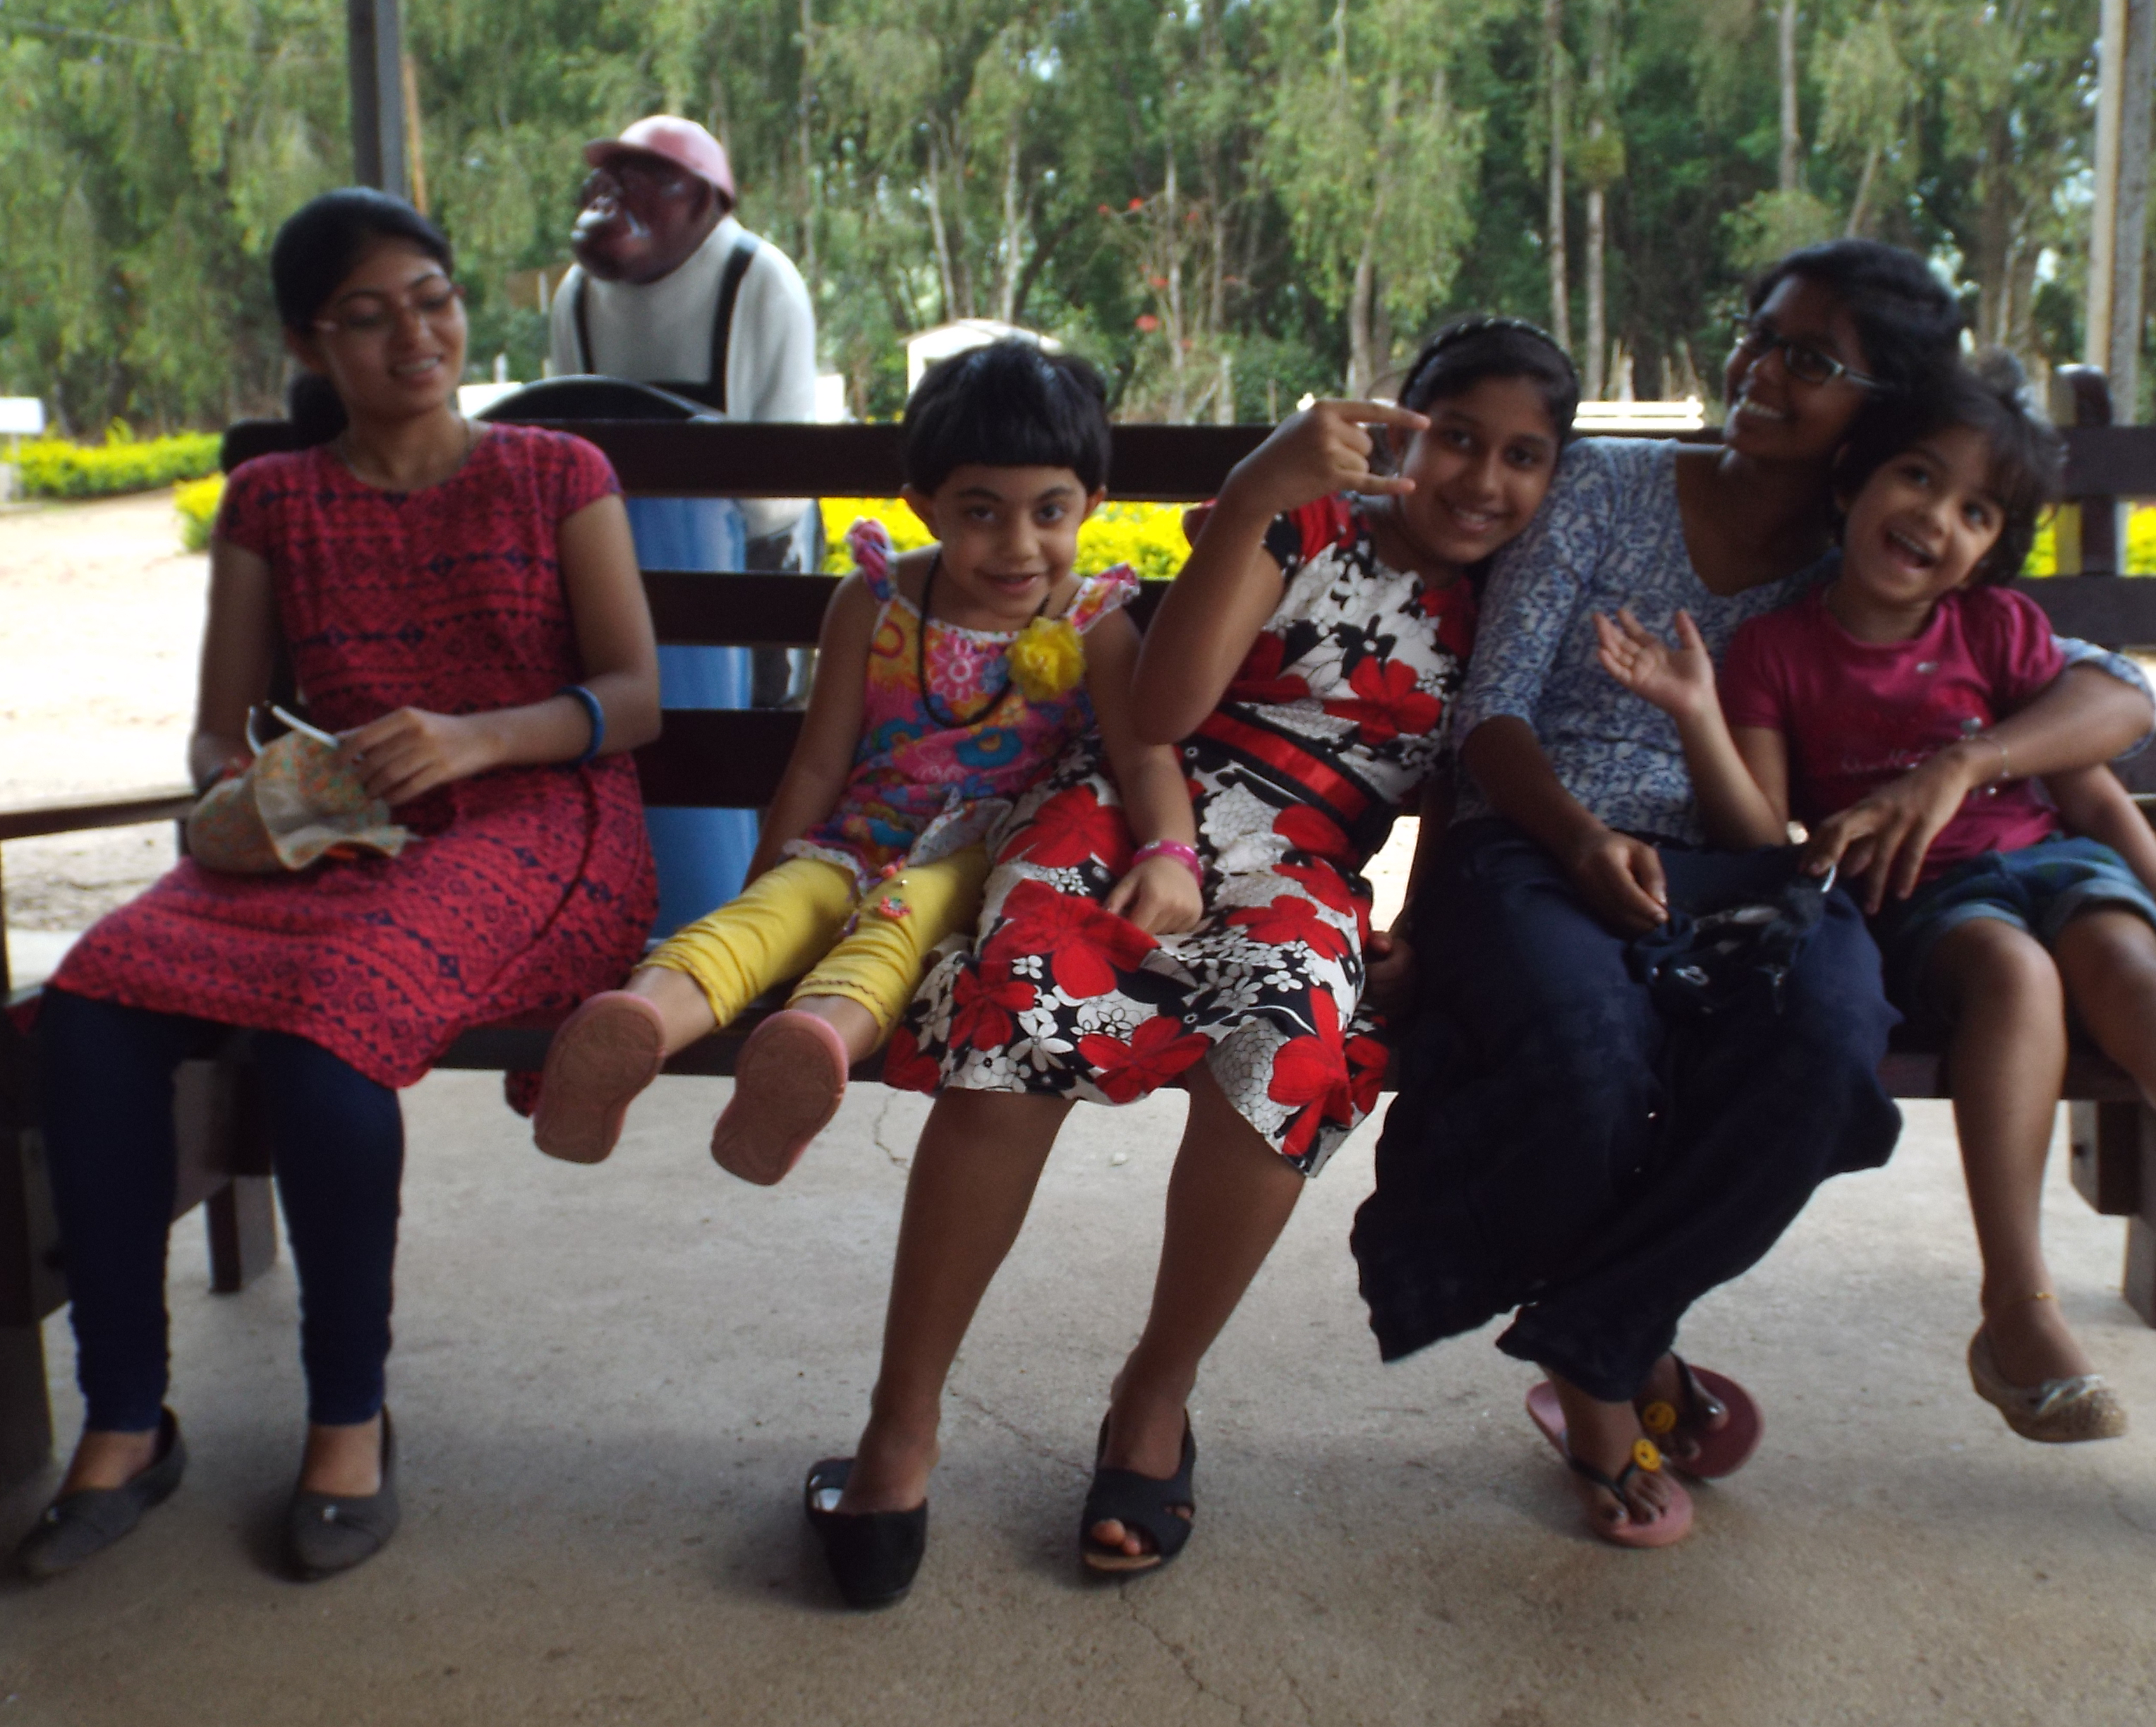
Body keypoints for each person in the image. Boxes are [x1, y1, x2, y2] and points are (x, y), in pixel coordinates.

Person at [1350, 241, 2156, 1549]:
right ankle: (1612, 1383)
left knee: (1829, 1040)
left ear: (1881, 410)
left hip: (1748, 868)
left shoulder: (1871, 549)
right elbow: (1491, 709)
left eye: (1809, 359)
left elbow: (2116, 689)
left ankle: (1601, 1330)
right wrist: (1575, 840)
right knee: (1585, 1048)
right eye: (1759, 333)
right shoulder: (1603, 484)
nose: (1759, 369)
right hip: (1539, 847)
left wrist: (1964, 763)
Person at [804, 318, 1579, 1608]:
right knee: (1018, 1017)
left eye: (1522, 456)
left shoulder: (1510, 598)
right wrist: (1265, 486)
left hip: (1306, 861)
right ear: (1398, 429)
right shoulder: (1298, 521)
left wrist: (1424, 924)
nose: (1481, 480)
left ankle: (1154, 1395)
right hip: (1131, 809)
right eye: (1455, 437)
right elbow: (1160, 712)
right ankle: (902, 1420)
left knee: (1292, 1041)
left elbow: (1459, 780)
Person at [15, 190, 660, 1583]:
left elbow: (633, 697)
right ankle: (125, 1418)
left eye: (431, 300)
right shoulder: (274, 498)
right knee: (93, 1001)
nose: (413, 336)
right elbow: (218, 731)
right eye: (368, 317)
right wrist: (256, 797)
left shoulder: (558, 472)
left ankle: (347, 1418)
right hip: (333, 831)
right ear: (311, 345)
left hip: (539, 820)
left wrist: (476, 737)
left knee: (332, 1022)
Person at [1593, 357, 2156, 1443]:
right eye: (1919, 477)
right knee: (2015, 970)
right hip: (1927, 901)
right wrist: (1697, 716)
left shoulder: (1996, 632)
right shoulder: (1780, 651)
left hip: (2055, 867)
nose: (1937, 517)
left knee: (2122, 952)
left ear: (1990, 548)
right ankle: (2017, 1306)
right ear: (1853, 484)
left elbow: (2096, 797)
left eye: (1976, 511)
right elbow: (1763, 839)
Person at [529, 340, 1200, 1183]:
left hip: (985, 863)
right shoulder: (875, 602)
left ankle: (810, 1046)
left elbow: (1145, 758)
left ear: (1091, 504)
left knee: (906, 918)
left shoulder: (1093, 623)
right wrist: (769, 871)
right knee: (773, 911)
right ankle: (636, 1026)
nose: (1019, 545)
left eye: (1049, 512)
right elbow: (817, 766)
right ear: (926, 507)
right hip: (854, 839)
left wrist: (1171, 853)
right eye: (982, 512)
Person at [550, 115, 821, 930]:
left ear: (702, 198)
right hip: (615, 546)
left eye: (643, 179)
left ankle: (743, 911)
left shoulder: (757, 279)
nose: (613, 198)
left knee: (752, 732)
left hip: (747, 549)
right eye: (610, 179)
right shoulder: (577, 295)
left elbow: (778, 471)